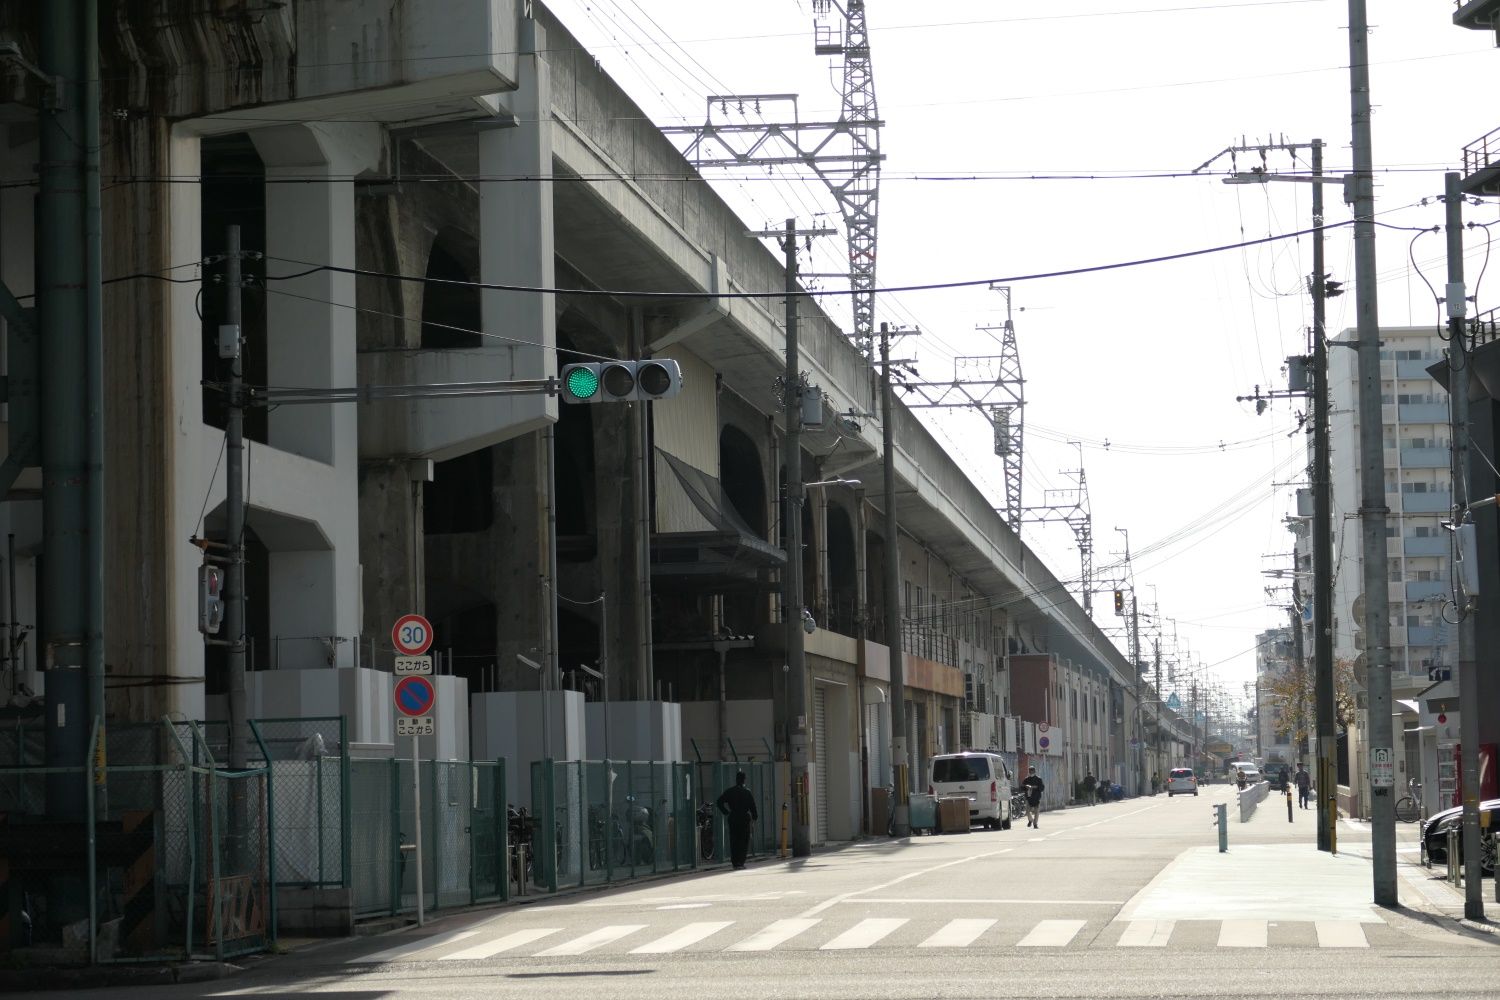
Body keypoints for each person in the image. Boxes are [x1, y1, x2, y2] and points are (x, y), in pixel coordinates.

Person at [716, 770, 759, 869]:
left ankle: (735, 862)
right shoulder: (747, 792)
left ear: (736, 780)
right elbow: (753, 807)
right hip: (744, 818)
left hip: (733, 817)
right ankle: (741, 861)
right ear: (744, 780)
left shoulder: (730, 791)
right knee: (744, 840)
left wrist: (726, 812)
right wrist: (754, 817)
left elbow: (719, 802)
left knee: (734, 840)